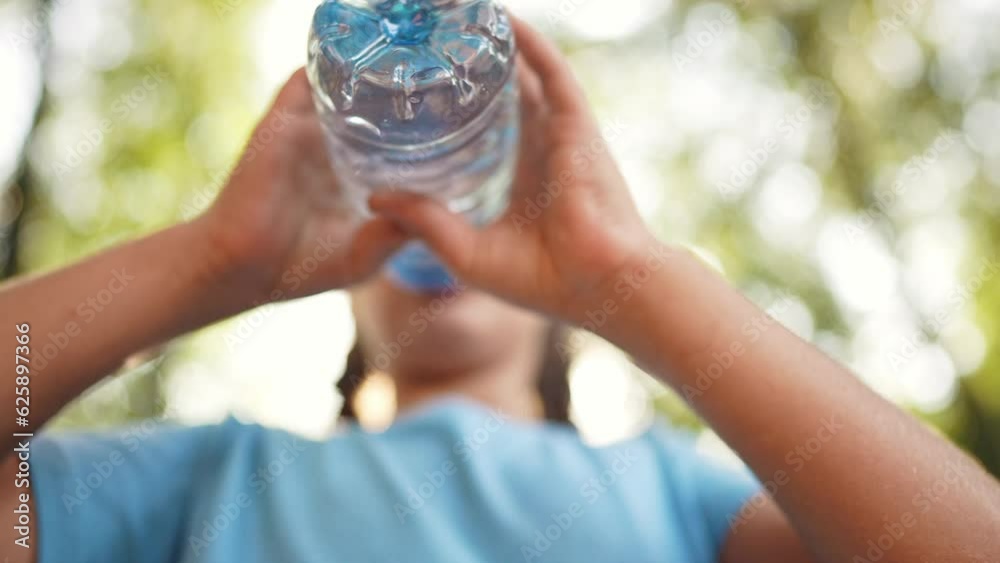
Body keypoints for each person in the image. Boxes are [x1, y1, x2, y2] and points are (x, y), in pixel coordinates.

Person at [2, 17, 999, 563]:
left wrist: (630, 277)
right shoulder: (208, 483)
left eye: (493, 204)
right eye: (400, 212)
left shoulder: (679, 495)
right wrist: (215, 258)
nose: (440, 224)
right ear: (349, 313)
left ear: (562, 324)